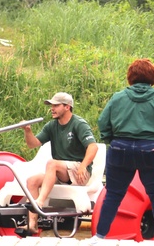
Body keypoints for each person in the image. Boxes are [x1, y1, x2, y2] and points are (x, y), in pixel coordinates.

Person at [89, 59, 154, 246]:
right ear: (153, 78)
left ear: (130, 78)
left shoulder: (118, 98)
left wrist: (110, 139)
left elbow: (102, 121)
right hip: (153, 150)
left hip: (120, 149)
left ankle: (99, 238)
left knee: (113, 195)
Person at [22, 92, 99, 234]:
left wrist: (83, 166)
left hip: (79, 171)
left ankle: (39, 202)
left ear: (67, 107)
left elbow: (93, 146)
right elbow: (33, 144)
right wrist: (27, 131)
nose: (52, 108)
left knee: (52, 163)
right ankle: (32, 224)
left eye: (56, 105)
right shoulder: (52, 126)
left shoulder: (78, 124)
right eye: (51, 105)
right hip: (62, 172)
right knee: (32, 181)